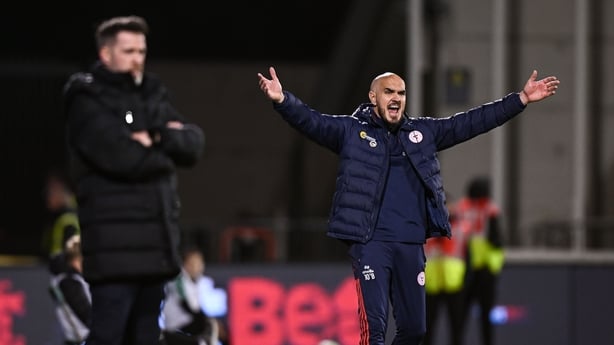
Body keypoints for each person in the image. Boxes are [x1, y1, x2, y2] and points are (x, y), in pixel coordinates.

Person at [257, 66, 559, 345]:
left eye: (401, 93)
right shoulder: (351, 132)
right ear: (373, 97)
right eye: (389, 92)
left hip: (411, 243)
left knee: (415, 329)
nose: (397, 98)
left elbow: (471, 122)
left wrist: (519, 99)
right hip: (371, 242)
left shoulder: (423, 134)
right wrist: (283, 100)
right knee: (374, 330)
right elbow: (312, 121)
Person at [63, 15, 205, 345]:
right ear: (106, 54)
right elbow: (119, 157)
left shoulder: (152, 92)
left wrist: (152, 136)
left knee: (146, 339)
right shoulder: (86, 97)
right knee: (108, 336)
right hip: (114, 251)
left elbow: (194, 144)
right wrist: (164, 147)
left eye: (141, 51)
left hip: (155, 248)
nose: (137, 58)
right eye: (128, 51)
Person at [456, 177, 504, 345]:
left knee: (461, 316)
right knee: (483, 317)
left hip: (468, 269)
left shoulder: (462, 207)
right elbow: (497, 242)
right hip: (483, 269)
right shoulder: (490, 208)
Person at [423, 200, 469, 345]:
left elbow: (468, 258)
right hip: (432, 284)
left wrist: (467, 281)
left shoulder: (461, 230)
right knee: (428, 328)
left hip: (454, 284)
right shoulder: (425, 230)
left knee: (457, 328)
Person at [161, 247, 228, 345]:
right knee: (212, 327)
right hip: (177, 324)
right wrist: (208, 322)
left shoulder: (199, 281)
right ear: (184, 264)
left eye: (198, 263)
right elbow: (187, 306)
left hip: (189, 322)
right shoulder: (178, 280)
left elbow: (196, 308)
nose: (195, 267)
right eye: (191, 263)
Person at [49, 235, 92, 345]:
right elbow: (86, 314)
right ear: (76, 259)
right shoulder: (68, 282)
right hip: (81, 340)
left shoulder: (76, 279)